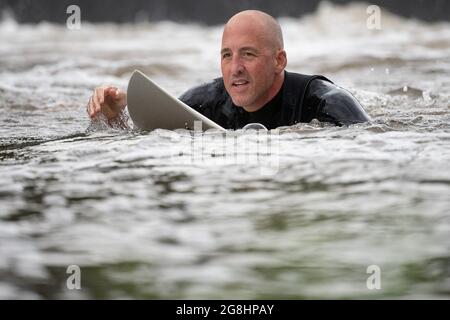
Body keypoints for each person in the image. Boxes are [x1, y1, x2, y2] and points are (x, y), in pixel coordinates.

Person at [87, 10, 370, 129]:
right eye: (226, 55)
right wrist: (114, 119)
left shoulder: (327, 104)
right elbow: (149, 133)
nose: (235, 68)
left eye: (248, 54)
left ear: (279, 61)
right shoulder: (204, 102)